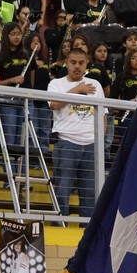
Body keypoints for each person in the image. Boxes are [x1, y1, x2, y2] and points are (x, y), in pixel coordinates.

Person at [48, 46, 103, 222]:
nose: (77, 66)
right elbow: (54, 104)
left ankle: (87, 233)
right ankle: (58, 226)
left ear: (87, 63)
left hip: (91, 144)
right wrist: (78, 90)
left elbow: (103, 116)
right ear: (66, 63)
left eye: (81, 63)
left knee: (90, 194)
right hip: (66, 142)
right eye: (73, 62)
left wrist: (100, 142)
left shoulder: (95, 85)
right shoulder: (56, 84)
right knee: (62, 189)